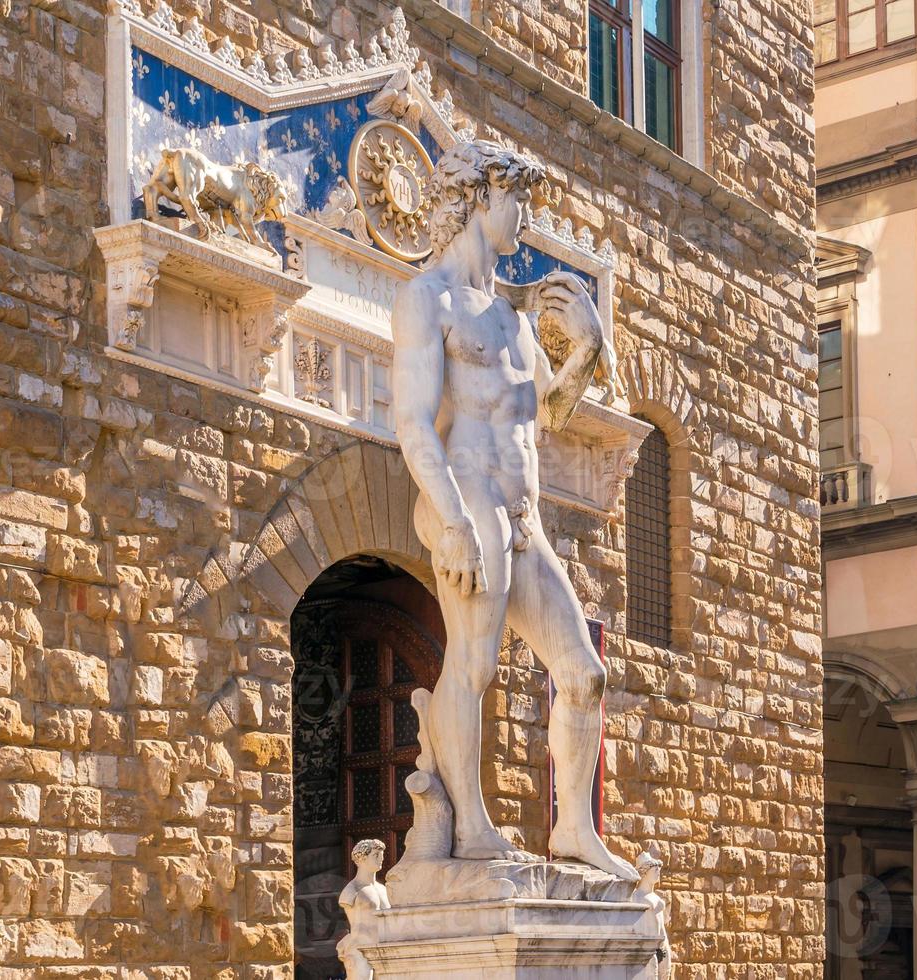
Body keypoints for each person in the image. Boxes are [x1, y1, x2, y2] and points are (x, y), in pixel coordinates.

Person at [391, 139, 635, 880]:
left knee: (583, 673)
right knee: (473, 666)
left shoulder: (511, 317)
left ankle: (571, 832)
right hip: (467, 501)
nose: (524, 219)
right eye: (516, 201)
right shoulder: (426, 298)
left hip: (523, 517)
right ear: (476, 200)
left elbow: (547, 415)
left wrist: (585, 352)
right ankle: (469, 826)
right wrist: (454, 523)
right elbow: (410, 422)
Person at [337, 838, 391, 980]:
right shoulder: (352, 889)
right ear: (362, 858)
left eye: (382, 855)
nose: (381, 859)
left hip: (383, 948)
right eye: (376, 855)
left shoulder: (383, 889)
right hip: (359, 949)